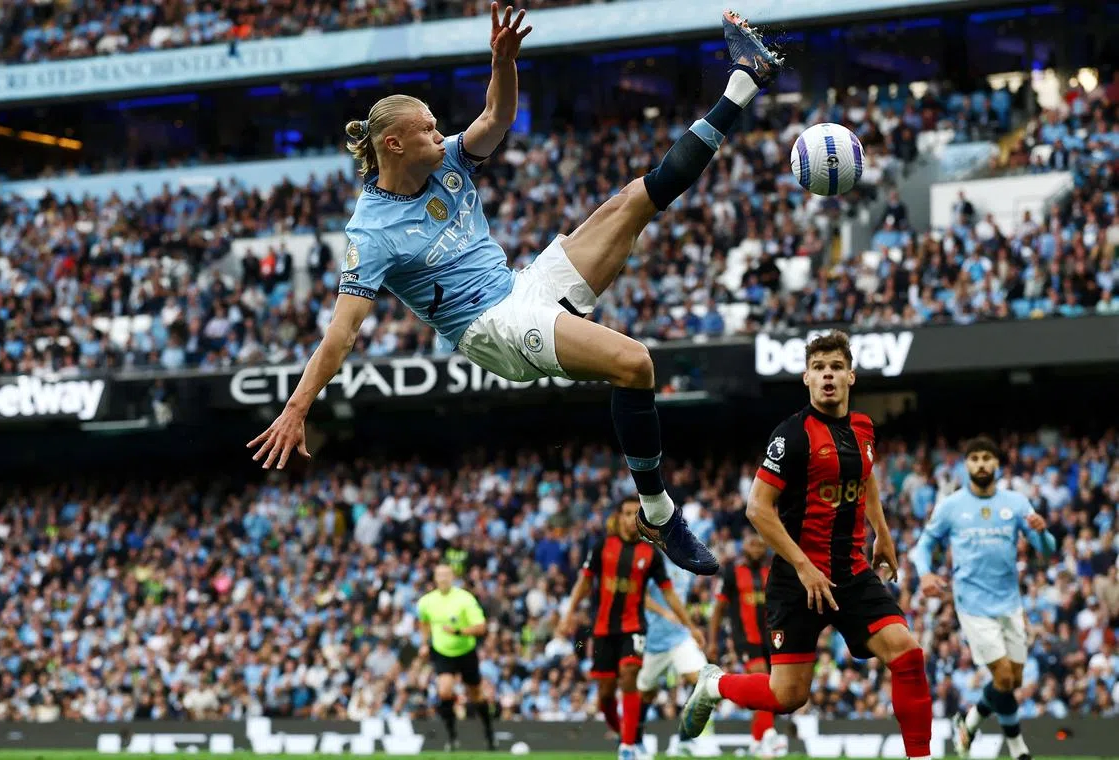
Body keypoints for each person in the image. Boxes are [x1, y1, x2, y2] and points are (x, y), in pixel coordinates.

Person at [246, 5, 786, 578]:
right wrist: (297, 407)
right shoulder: (370, 233)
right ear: (393, 144)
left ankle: (744, 81)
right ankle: (657, 512)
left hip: (521, 287)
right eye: (427, 128)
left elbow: (496, 119)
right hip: (490, 331)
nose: (440, 132)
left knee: (637, 200)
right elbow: (342, 332)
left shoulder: (447, 161)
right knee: (636, 363)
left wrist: (503, 62)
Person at [679, 331, 934, 760]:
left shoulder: (863, 428)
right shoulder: (792, 436)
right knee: (788, 697)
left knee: (907, 654)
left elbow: (865, 476)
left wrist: (883, 533)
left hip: (850, 572)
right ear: (806, 378)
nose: (828, 376)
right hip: (798, 582)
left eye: (835, 367)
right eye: (819, 369)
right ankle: (714, 684)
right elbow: (758, 509)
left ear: (851, 375)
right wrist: (802, 565)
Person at [911, 436, 1056, 760]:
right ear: (966, 465)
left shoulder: (1017, 503)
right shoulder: (951, 505)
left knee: (1012, 680)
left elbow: (1047, 550)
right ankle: (1019, 749)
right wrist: (924, 573)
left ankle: (970, 721)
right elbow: (923, 544)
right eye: (973, 458)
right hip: (973, 604)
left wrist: (1043, 532)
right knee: (1003, 676)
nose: (980, 464)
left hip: (1010, 601)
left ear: (997, 465)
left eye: (986, 458)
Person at [558, 498, 701, 760]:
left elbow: (669, 594)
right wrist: (568, 614)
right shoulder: (603, 546)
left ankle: (627, 746)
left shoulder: (650, 554)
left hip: (634, 627)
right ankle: (626, 734)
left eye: (637, 513)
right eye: (627, 513)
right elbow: (584, 582)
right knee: (604, 695)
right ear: (619, 517)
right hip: (602, 629)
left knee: (629, 675)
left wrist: (690, 625)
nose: (631, 518)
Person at [707, 532, 786, 759]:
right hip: (745, 640)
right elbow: (718, 610)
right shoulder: (732, 573)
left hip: (771, 640)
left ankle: (756, 741)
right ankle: (769, 734)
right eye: (752, 544)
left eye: (761, 545)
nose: (757, 549)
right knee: (764, 682)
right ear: (744, 547)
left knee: (769, 688)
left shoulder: (771, 573)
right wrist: (713, 641)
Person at [416, 565, 496, 751]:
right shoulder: (426, 601)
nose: (443, 578)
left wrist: (459, 631)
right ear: (434, 578)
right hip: (442, 652)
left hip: (466, 651)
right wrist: (424, 643)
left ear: (453, 577)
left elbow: (481, 627)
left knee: (475, 695)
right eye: (439, 575)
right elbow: (424, 622)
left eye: (446, 575)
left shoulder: (465, 599)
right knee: (444, 691)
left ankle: (489, 733)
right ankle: (452, 737)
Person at [635, 553, 707, 759]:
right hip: (654, 641)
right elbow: (641, 596)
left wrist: (691, 627)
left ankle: (684, 740)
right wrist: (664, 612)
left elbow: (680, 600)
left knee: (703, 682)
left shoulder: (687, 565)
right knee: (646, 693)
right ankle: (636, 741)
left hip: (680, 638)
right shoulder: (654, 563)